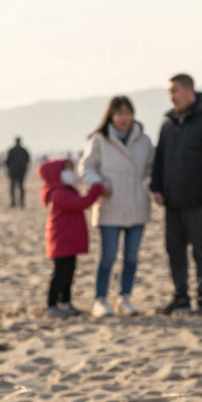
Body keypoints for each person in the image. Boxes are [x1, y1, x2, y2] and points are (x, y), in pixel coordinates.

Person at [151, 74, 202, 316]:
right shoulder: (168, 124)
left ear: (190, 90)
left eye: (175, 91)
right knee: (174, 250)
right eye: (170, 93)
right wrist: (157, 187)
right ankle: (180, 296)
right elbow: (159, 159)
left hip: (199, 200)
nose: (172, 97)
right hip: (172, 201)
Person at [79, 96, 154, 318]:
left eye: (127, 113)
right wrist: (99, 183)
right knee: (108, 256)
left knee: (131, 256)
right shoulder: (100, 140)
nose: (123, 118)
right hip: (110, 205)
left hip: (136, 205)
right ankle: (100, 298)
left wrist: (146, 186)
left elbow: (151, 168)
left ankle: (125, 296)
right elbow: (86, 167)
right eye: (119, 113)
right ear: (111, 116)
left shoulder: (144, 141)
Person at [40, 158, 106, 319]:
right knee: (60, 274)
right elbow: (81, 203)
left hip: (68, 241)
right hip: (61, 241)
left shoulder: (66, 190)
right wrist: (96, 190)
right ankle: (51, 305)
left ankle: (65, 302)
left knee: (69, 272)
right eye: (66, 170)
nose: (71, 173)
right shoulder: (58, 194)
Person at [6, 138, 30, 208]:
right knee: (21, 187)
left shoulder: (11, 150)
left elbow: (7, 162)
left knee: (13, 188)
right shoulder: (24, 150)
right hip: (20, 172)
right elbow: (27, 161)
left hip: (14, 172)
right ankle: (21, 202)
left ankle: (13, 202)